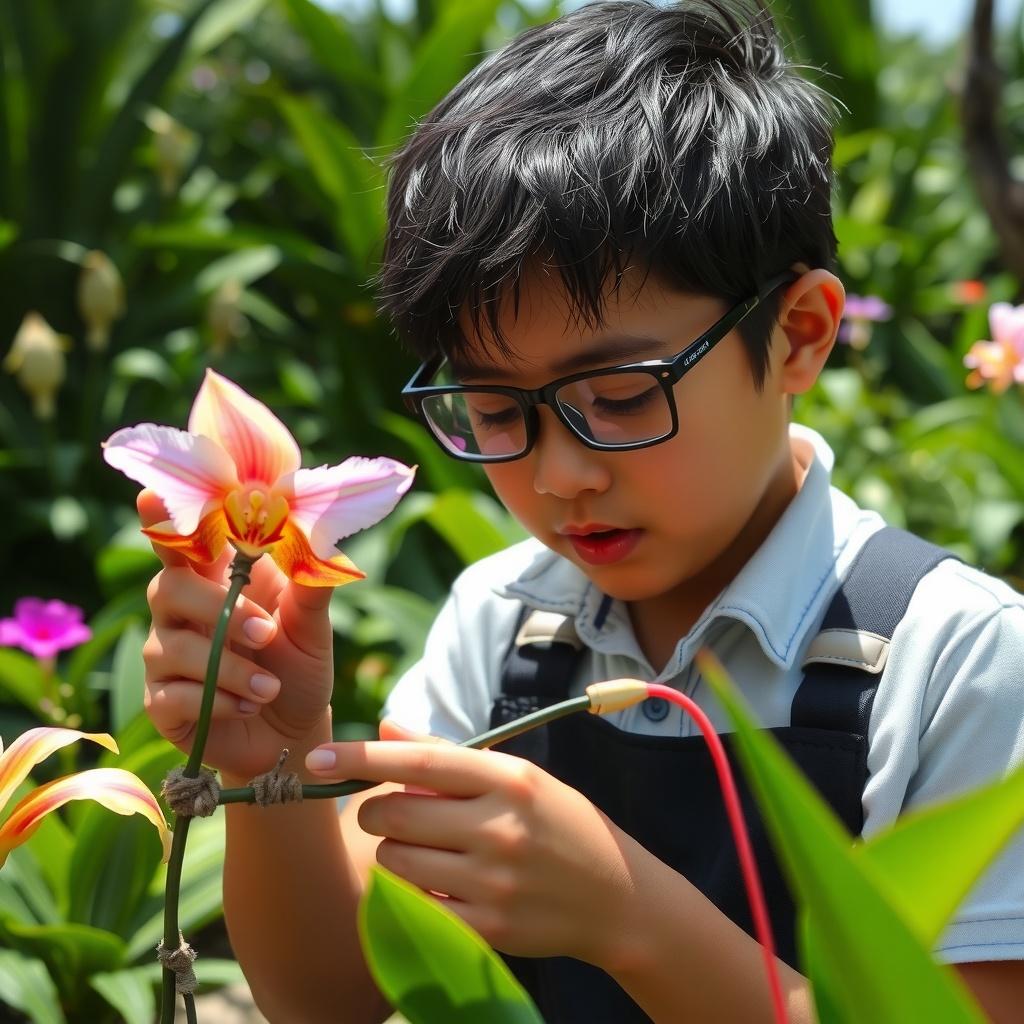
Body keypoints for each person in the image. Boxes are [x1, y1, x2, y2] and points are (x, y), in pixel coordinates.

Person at [139, 1, 1024, 1020]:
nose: (559, 474)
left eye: (618, 396)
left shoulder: (955, 661)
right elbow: (332, 992)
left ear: (798, 335)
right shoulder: (504, 622)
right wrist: (279, 754)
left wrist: (631, 917)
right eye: (491, 407)